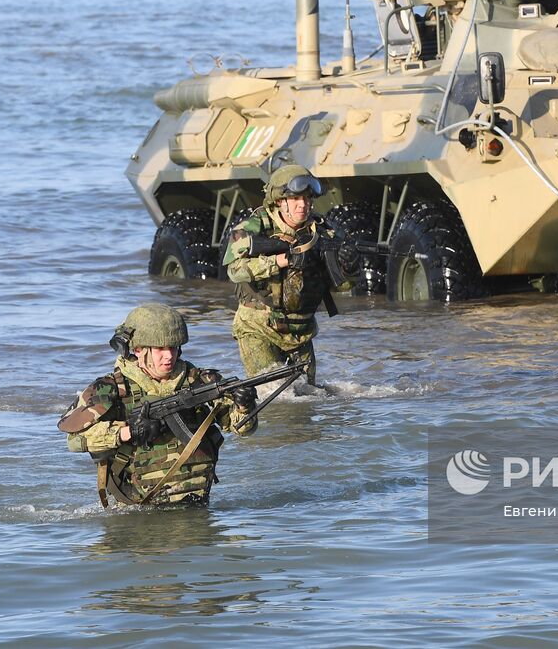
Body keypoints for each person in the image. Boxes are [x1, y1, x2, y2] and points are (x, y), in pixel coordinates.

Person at [59, 302, 257, 507]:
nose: (169, 356)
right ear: (138, 350)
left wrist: (244, 405)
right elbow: (74, 440)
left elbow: (242, 429)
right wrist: (128, 432)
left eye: (173, 348)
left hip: (196, 503)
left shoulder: (200, 381)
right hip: (139, 508)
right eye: (160, 349)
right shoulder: (110, 388)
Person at [223, 164, 351, 385]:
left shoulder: (323, 232)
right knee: (271, 398)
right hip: (258, 327)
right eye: (295, 199)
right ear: (280, 201)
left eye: (308, 198)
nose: (303, 205)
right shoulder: (253, 227)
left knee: (307, 402)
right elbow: (235, 270)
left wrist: (349, 267)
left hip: (301, 331)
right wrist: (281, 261)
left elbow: (340, 287)